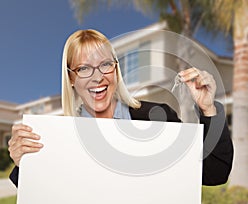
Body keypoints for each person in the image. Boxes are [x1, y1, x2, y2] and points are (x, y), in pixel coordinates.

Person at [8, 29, 233, 187]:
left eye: (105, 64)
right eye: (84, 68)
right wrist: (25, 163)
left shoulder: (158, 118)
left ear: (116, 70)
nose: (98, 77)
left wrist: (208, 108)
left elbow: (215, 172)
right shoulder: (57, 138)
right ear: (71, 79)